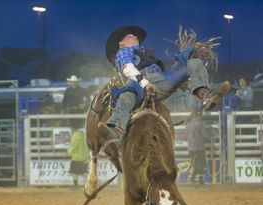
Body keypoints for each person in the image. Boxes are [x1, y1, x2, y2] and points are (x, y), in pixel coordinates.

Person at [98, 25, 231, 156]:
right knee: (126, 95)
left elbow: (165, 71)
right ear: (121, 44)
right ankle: (117, 131)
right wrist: (145, 83)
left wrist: (189, 51)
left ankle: (205, 96)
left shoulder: (145, 53)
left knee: (194, 64)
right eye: (129, 35)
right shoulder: (124, 51)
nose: (134, 35)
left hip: (162, 80)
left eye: (134, 34)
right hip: (138, 84)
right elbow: (127, 68)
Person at [186, 109, 206, 186]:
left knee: (196, 164)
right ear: (198, 115)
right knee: (201, 164)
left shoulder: (188, 124)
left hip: (191, 148)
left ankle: (192, 179)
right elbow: (204, 135)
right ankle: (198, 180)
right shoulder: (199, 124)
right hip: (199, 147)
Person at [67, 120, 89, 190]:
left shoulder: (75, 135)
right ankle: (89, 186)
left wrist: (68, 152)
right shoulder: (82, 134)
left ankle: (75, 186)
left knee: (74, 171)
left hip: (77, 157)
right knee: (84, 171)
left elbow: (74, 146)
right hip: (85, 156)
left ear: (73, 128)